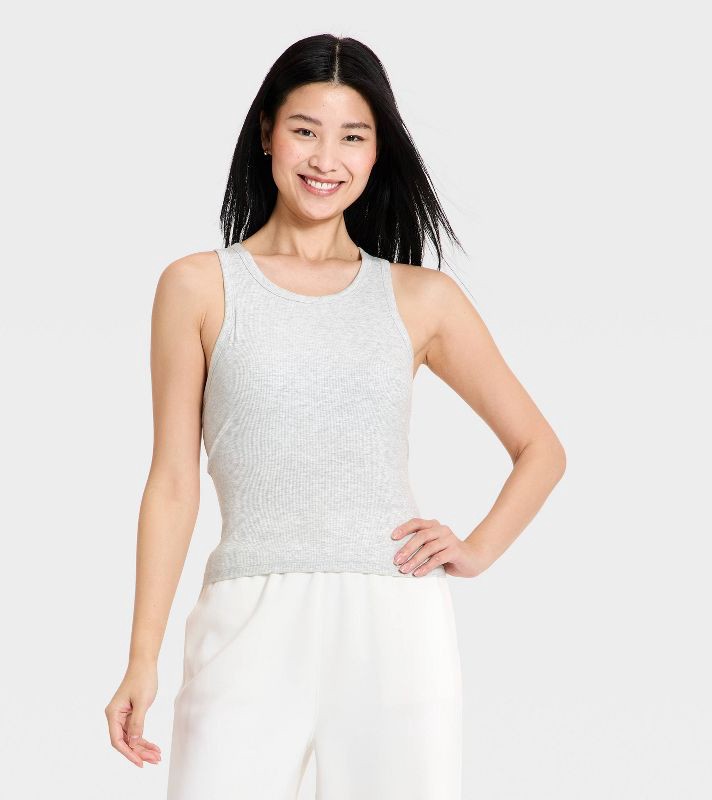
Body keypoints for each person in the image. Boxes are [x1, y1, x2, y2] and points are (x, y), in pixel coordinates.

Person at [104, 33, 566, 800]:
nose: (327, 159)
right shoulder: (197, 287)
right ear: (267, 133)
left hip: (394, 623)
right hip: (247, 615)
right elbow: (173, 483)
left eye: (353, 136)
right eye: (305, 130)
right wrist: (141, 658)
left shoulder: (422, 299)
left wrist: (477, 548)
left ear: (378, 150)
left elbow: (540, 448)